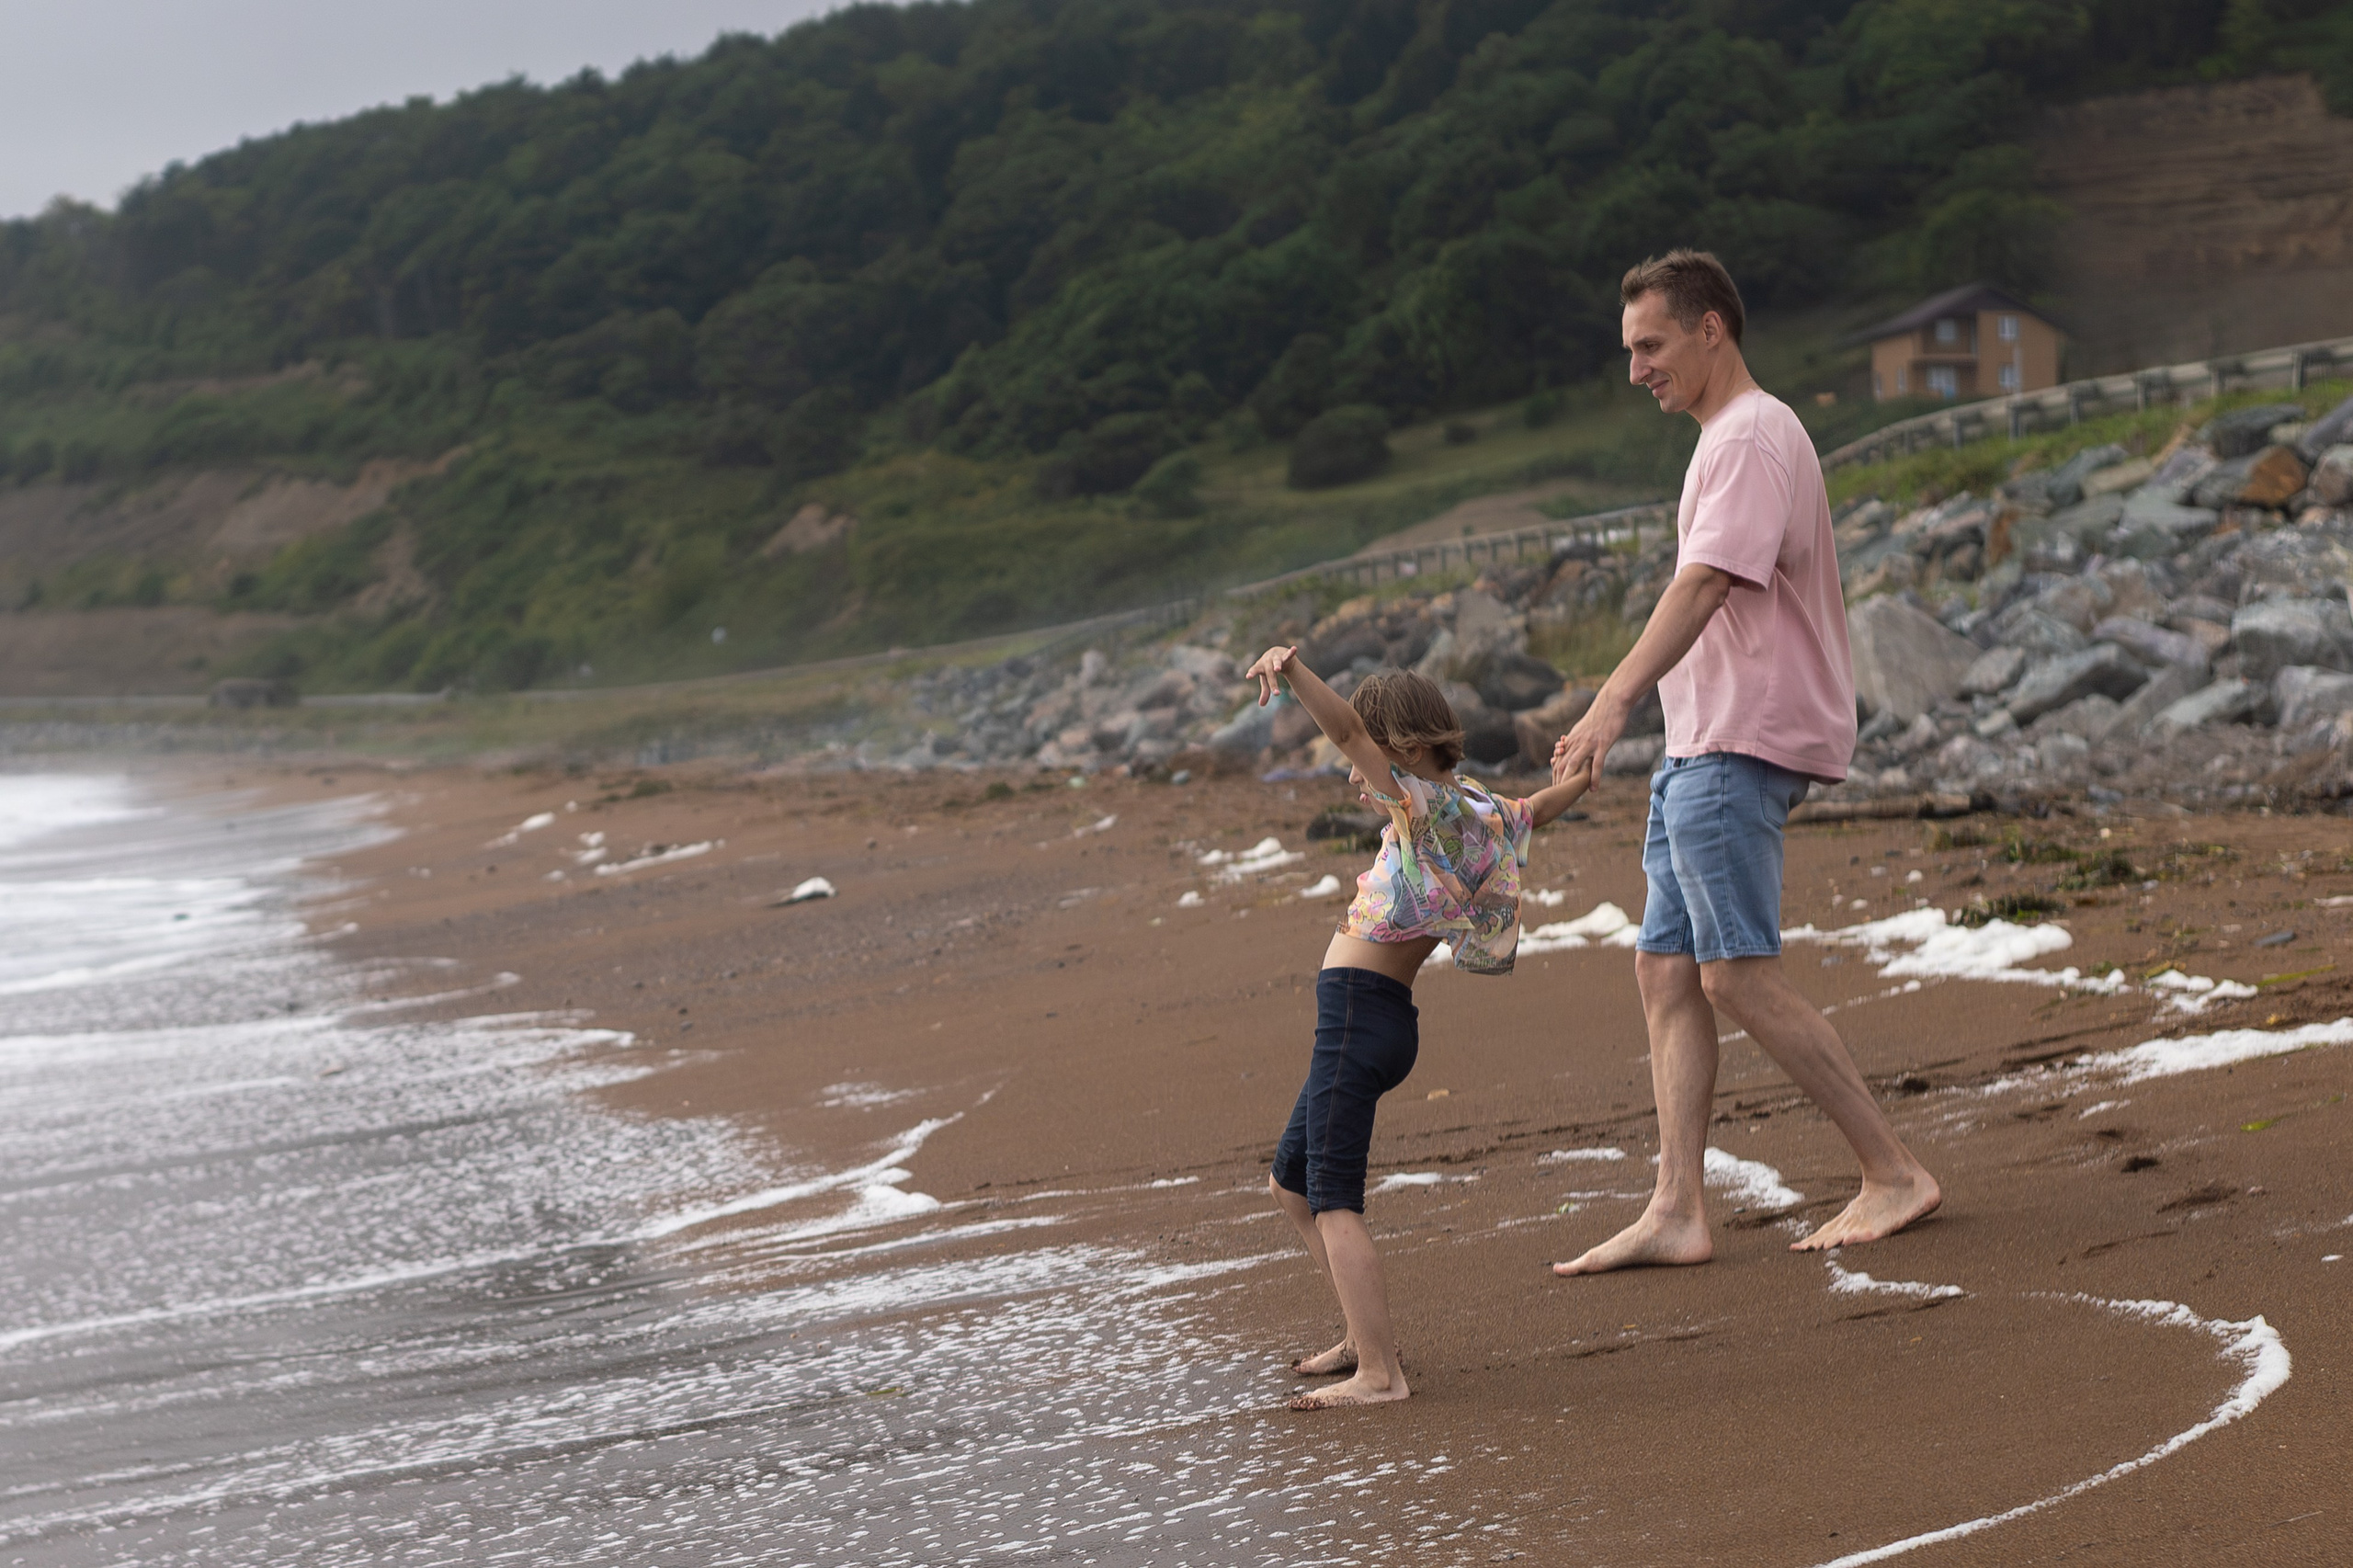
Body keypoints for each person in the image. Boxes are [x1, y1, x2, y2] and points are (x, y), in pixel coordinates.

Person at [1548, 249, 1941, 1273]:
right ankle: (1677, 1205)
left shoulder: (1754, 434)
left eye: (1651, 344)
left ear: (1711, 327)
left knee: (1732, 974)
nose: (1636, 368)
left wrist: (1608, 701)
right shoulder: (1723, 439)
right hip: (1699, 744)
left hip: (1736, 740)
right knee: (1667, 970)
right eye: (1627, 349)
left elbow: (1708, 582)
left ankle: (1893, 1169)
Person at [1241, 649, 1588, 1408]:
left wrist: (1294, 671)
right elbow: (1531, 812)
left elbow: (1341, 734)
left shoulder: (1422, 802)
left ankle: (1380, 1374)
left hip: (1358, 1021)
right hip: (1371, 1020)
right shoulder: (1468, 806)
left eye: (1368, 756)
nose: (1354, 774)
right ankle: (1362, 1336)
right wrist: (1576, 782)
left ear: (1397, 748)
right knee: (1288, 1183)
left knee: (1332, 1197)